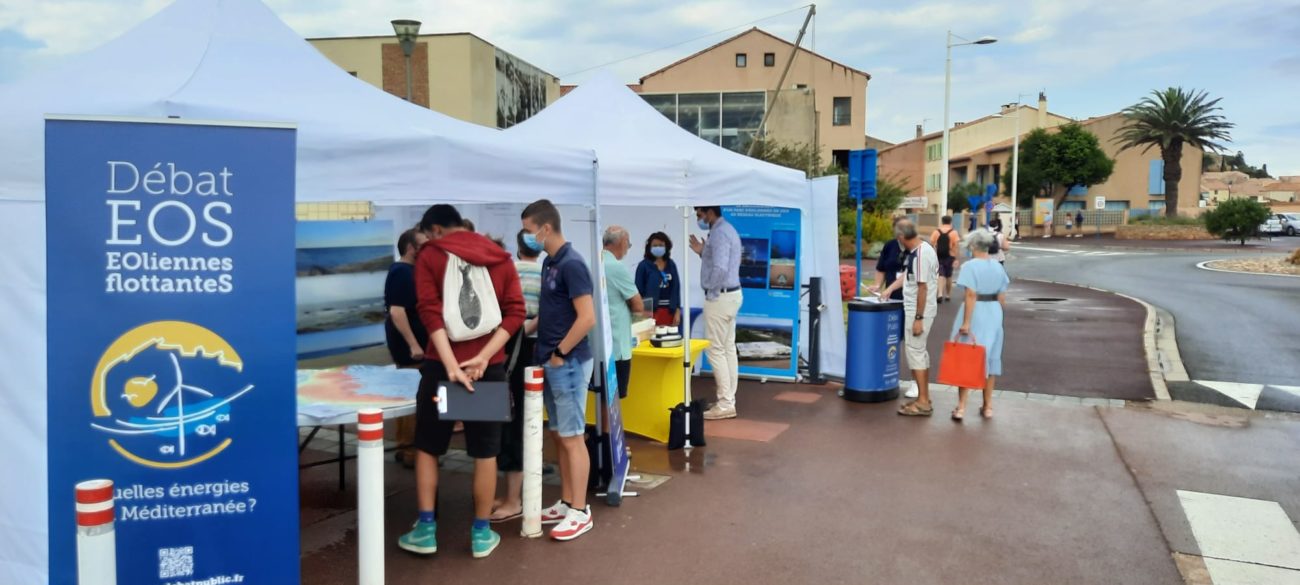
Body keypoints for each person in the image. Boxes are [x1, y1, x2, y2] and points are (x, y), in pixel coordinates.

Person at [398, 204, 525, 560]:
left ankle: (426, 530)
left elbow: (429, 310)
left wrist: (451, 364)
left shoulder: (430, 256)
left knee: (428, 446)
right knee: (485, 452)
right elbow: (515, 311)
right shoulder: (499, 257)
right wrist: (483, 357)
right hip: (488, 367)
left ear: (435, 229)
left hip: (442, 367)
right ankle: (481, 533)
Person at [520, 199, 597, 541]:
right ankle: (567, 501)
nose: (526, 236)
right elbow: (551, 310)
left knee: (572, 437)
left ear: (545, 228)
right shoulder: (551, 262)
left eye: (528, 230)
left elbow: (587, 318)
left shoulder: (572, 264)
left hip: (567, 362)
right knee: (560, 436)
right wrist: (525, 327)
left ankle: (581, 510)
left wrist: (560, 353)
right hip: (549, 359)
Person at [489, 230, 544, 523]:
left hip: (508, 350)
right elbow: (541, 315)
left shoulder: (506, 272)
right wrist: (528, 328)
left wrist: (518, 330)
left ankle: (513, 498)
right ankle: (510, 495)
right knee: (515, 422)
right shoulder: (545, 272)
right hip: (524, 348)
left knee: (510, 424)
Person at [947, 229, 1010, 421]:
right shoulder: (998, 267)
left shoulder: (970, 267)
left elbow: (970, 295)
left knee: (967, 356)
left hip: (977, 313)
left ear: (973, 246)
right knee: (991, 359)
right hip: (994, 313)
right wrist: (999, 317)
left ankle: (961, 407)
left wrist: (966, 322)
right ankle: (988, 406)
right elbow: (1002, 296)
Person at [879, 219, 939, 417]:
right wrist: (889, 289)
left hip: (918, 311)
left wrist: (918, 318)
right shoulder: (921, 250)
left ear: (901, 237)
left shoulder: (920, 255)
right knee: (918, 352)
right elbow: (908, 276)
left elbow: (923, 287)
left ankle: (923, 402)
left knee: (915, 352)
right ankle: (923, 397)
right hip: (917, 309)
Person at [689, 206, 743, 421]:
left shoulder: (720, 233)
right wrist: (703, 252)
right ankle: (729, 398)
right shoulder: (727, 230)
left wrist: (710, 289)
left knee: (716, 349)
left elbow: (720, 268)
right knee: (728, 348)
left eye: (699, 214)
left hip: (720, 297)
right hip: (731, 295)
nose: (698, 218)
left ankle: (725, 403)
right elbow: (724, 264)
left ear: (709, 212)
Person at [384, 228, 430, 467]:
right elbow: (397, 311)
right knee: (414, 393)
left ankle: (406, 446)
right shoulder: (402, 272)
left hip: (415, 344)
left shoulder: (407, 271)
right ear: (411, 248)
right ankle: (410, 449)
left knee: (411, 392)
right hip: (411, 347)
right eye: (423, 243)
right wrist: (413, 344)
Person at [602, 226, 644, 399]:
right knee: (613, 396)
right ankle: (610, 428)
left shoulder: (591, 262)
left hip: (596, 341)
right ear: (621, 243)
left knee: (602, 394)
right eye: (628, 244)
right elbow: (638, 305)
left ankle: (603, 427)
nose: (627, 249)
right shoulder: (617, 267)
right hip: (617, 343)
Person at [635, 232, 682, 327]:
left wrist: (677, 311)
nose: (658, 248)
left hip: (669, 311)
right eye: (655, 245)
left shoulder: (671, 264)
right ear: (649, 247)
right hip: (650, 312)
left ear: (666, 247)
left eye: (661, 245)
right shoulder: (643, 266)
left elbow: (676, 288)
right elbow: (638, 290)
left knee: (668, 340)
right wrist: (642, 314)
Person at [869, 216, 908, 301]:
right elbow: (881, 269)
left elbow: (910, 274)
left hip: (912, 298)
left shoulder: (918, 248)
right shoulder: (890, 245)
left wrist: (890, 288)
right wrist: (877, 285)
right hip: (892, 297)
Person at [929, 216, 959, 304]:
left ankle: (940, 294)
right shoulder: (954, 232)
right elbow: (956, 246)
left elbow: (931, 243)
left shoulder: (936, 231)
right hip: (950, 256)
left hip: (939, 256)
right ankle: (948, 295)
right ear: (950, 222)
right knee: (949, 276)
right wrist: (956, 258)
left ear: (942, 222)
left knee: (940, 274)